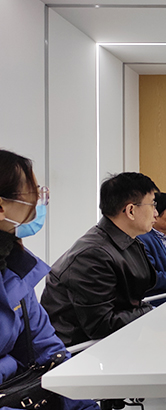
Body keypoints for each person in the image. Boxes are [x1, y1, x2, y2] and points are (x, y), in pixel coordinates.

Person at [0, 149, 98, 410]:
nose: (40, 201)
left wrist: (85, 406)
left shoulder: (16, 270)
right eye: (33, 193)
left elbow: (47, 351)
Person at [41, 173, 159, 347]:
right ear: (131, 211)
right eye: (153, 204)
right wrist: (149, 311)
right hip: (81, 351)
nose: (156, 213)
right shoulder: (93, 255)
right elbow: (102, 325)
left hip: (114, 341)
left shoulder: (126, 240)